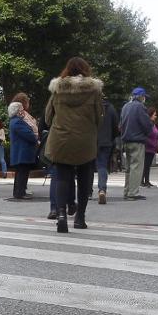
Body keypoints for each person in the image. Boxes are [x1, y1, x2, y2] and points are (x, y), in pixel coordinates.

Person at [44, 58, 104, 233]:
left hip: (61, 139)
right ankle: (80, 218)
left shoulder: (57, 89)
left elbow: (48, 117)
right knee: (85, 179)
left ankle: (61, 215)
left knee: (62, 176)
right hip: (85, 140)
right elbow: (99, 118)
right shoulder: (94, 91)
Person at [119, 87, 153, 200]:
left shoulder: (125, 106)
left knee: (129, 168)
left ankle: (127, 191)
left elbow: (121, 124)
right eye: (144, 97)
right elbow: (146, 124)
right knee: (136, 167)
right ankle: (133, 193)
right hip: (137, 140)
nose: (145, 99)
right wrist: (148, 133)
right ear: (141, 97)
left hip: (126, 140)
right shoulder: (140, 107)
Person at [7, 95, 39, 200]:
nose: (22, 111)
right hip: (22, 152)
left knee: (22, 173)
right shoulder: (17, 121)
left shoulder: (15, 121)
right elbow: (28, 134)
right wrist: (34, 137)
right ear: (17, 111)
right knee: (22, 173)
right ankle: (20, 193)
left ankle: (19, 192)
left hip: (21, 152)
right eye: (20, 109)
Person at [93, 94, 119, 204]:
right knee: (102, 166)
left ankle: (87, 192)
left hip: (92, 141)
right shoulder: (111, 108)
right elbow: (116, 127)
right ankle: (102, 189)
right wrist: (111, 138)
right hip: (106, 142)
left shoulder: (91, 107)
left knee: (88, 167)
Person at [142, 108, 158, 187]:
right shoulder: (148, 124)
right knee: (145, 165)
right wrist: (153, 144)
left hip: (152, 148)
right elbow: (146, 135)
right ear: (150, 115)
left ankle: (147, 180)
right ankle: (143, 181)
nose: (156, 116)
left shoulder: (153, 124)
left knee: (147, 165)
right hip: (148, 148)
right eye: (154, 115)